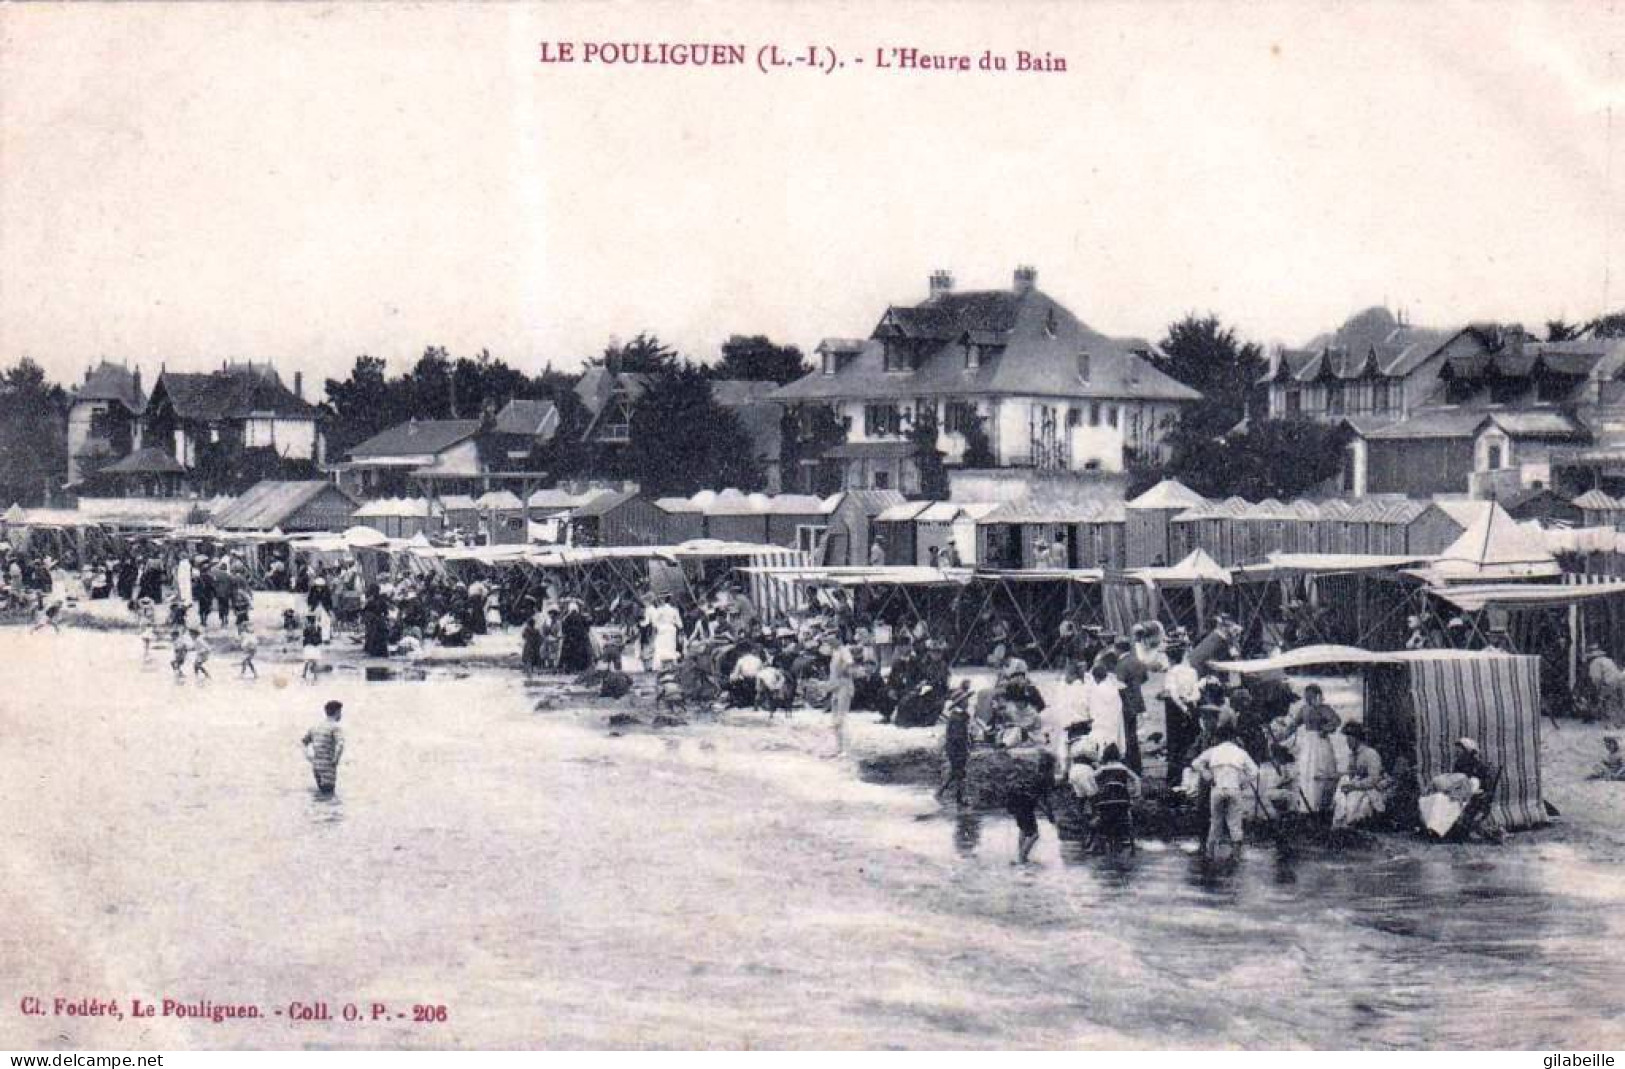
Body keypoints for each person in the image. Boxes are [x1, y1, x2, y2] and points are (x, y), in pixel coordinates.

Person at [1191, 724, 1260, 859]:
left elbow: (1195, 763)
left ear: (1218, 738)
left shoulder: (1213, 751)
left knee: (1216, 821)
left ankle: (1210, 852)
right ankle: (1236, 854)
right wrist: (1242, 782)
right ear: (1233, 738)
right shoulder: (1240, 752)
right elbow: (1255, 771)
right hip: (1234, 788)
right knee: (1234, 821)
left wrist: (1207, 775)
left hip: (1217, 788)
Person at [1288, 683, 1341, 813]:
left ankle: (1321, 804)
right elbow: (1294, 724)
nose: (1308, 697)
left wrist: (1326, 729)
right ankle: (1307, 805)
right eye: (1306, 695)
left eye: (1310, 695)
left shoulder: (1324, 709)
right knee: (1307, 771)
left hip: (1320, 741)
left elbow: (1336, 721)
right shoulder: (1304, 709)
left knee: (1321, 770)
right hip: (1308, 742)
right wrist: (1283, 733)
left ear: (1317, 695)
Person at [1006, 748, 1058, 864]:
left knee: (1023, 829)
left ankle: (1020, 854)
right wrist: (1049, 815)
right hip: (1026, 805)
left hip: (1015, 801)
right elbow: (1042, 800)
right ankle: (1022, 858)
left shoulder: (1035, 775)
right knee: (1034, 834)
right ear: (1050, 767)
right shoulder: (1045, 778)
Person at [1331, 722, 1385, 829]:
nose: (1348, 742)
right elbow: (1351, 774)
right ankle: (1340, 823)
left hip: (1369, 790)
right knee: (1342, 786)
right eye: (1347, 739)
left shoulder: (1370, 754)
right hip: (1354, 787)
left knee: (1354, 801)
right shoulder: (1352, 755)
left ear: (1357, 738)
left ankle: (1350, 823)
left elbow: (1374, 779)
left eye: (1350, 738)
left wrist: (1355, 786)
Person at [1162, 644, 1201, 787]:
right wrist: (1190, 702)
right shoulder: (1192, 671)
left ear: (1170, 658)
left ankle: (1175, 778)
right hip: (1191, 705)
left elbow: (1173, 693)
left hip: (1175, 710)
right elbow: (1196, 691)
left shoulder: (1171, 672)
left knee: (1175, 743)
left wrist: (1182, 707)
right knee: (1190, 740)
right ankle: (1190, 773)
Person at [1092, 742, 1141, 850]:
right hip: (1122, 799)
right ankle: (1121, 837)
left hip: (1106, 799)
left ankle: (1104, 836)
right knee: (1123, 814)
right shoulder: (1123, 768)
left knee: (1103, 814)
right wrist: (1137, 793)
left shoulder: (1103, 768)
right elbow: (1137, 779)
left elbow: (1091, 778)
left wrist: (1096, 789)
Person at [935, 682, 974, 805]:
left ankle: (942, 793)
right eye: (966, 700)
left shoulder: (959, 716)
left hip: (956, 747)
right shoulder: (957, 718)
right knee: (960, 772)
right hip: (956, 748)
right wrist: (965, 747)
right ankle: (959, 798)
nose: (967, 702)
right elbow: (957, 737)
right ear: (960, 703)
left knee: (956, 772)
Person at [301, 700, 346, 795]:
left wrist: (308, 756)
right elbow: (340, 745)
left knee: (321, 793)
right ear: (337, 712)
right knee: (329, 794)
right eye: (340, 712)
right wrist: (335, 760)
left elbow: (303, 742)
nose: (341, 715)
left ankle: (318, 810)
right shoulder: (335, 727)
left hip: (316, 765)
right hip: (328, 766)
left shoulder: (315, 727)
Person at [1084, 661, 1125, 757]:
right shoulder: (1113, 688)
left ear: (1095, 678)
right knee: (1113, 743)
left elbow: (1094, 709)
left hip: (1101, 723)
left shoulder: (1097, 690)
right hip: (1114, 722)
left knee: (1101, 746)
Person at [827, 638, 856, 758]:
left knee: (841, 718)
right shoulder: (834, 652)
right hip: (836, 687)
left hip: (844, 686)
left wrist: (842, 670)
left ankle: (845, 749)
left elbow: (849, 663)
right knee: (835, 719)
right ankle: (839, 747)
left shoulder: (844, 650)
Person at [557, 600, 594, 674]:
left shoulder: (566, 618)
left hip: (571, 639)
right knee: (583, 652)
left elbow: (564, 629)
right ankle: (583, 667)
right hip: (581, 639)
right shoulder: (582, 617)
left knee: (568, 653)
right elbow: (587, 628)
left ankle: (567, 667)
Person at [650, 595, 683, 671]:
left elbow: (654, 622)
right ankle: (672, 664)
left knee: (660, 647)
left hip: (662, 629)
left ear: (664, 600)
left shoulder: (659, 610)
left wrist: (658, 627)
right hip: (671, 629)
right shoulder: (674, 610)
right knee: (671, 647)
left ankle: (659, 666)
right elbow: (680, 624)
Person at [301, 613, 324, 682]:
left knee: (307, 661)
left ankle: (304, 674)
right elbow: (320, 637)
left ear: (308, 621)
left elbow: (304, 635)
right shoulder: (318, 627)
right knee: (314, 662)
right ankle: (315, 676)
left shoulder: (307, 628)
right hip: (315, 646)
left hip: (308, 645)